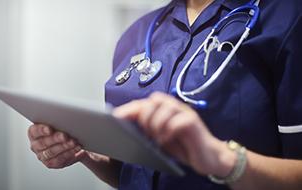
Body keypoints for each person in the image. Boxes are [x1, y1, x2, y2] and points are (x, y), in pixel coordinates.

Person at [27, 0, 302, 189]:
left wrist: (224, 160)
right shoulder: (137, 33)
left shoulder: (287, 19)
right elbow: (134, 173)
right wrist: (86, 154)